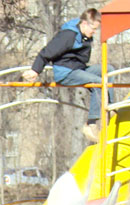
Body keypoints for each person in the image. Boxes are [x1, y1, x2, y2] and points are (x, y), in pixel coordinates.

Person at [22, 8, 113, 143]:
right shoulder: (68, 35)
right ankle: (91, 124)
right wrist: (35, 70)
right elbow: (47, 51)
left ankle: (110, 107)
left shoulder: (85, 35)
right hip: (66, 72)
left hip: (79, 69)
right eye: (93, 28)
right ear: (84, 23)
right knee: (97, 83)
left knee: (108, 70)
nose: (94, 32)